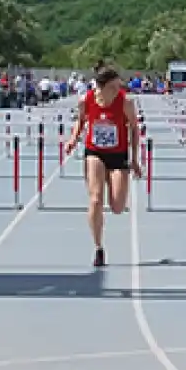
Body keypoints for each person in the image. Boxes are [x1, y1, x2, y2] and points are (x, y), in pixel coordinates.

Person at [61, 66, 140, 268]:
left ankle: (112, 180)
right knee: (95, 199)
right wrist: (72, 139)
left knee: (117, 206)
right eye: (113, 87)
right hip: (94, 152)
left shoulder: (125, 103)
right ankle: (98, 247)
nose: (118, 90)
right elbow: (80, 121)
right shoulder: (86, 100)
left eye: (118, 86)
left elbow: (134, 129)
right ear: (101, 87)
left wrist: (135, 159)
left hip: (118, 155)